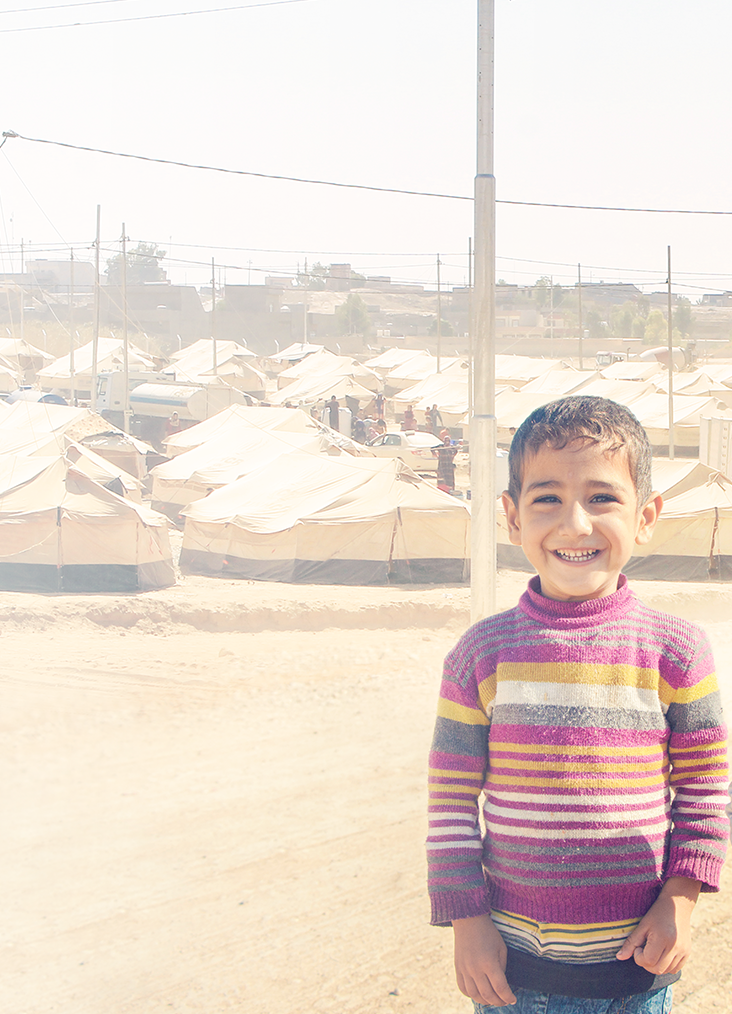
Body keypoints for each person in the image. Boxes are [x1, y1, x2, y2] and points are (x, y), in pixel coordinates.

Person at [426, 395, 728, 1014]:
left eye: (602, 497)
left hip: (636, 976)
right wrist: (467, 922)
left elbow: (705, 787)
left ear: (645, 516)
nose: (575, 524)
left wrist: (681, 898)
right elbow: (451, 799)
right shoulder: (480, 654)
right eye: (547, 499)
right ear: (513, 518)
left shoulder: (676, 651)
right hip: (513, 975)